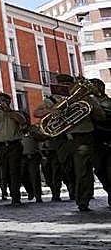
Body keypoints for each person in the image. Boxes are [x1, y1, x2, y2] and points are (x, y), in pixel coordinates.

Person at [35, 82, 106, 212]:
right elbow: (37, 112)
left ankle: (83, 200)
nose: (74, 91)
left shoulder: (87, 100)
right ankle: (76, 193)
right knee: (68, 170)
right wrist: (52, 110)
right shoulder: (56, 100)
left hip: (82, 139)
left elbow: (101, 116)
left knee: (82, 171)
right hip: (64, 141)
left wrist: (90, 107)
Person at [0, 92, 27, 205]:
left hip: (13, 145)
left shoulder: (15, 113)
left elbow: (22, 121)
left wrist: (8, 111)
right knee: (3, 171)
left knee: (14, 171)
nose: (0, 103)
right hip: (0, 145)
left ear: (8, 102)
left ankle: (16, 197)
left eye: (3, 100)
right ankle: (4, 192)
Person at [20, 127, 44, 203]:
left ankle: (38, 196)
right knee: (22, 176)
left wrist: (33, 133)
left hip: (33, 155)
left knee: (35, 176)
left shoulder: (34, 128)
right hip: (21, 156)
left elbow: (41, 137)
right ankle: (30, 191)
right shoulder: (17, 129)